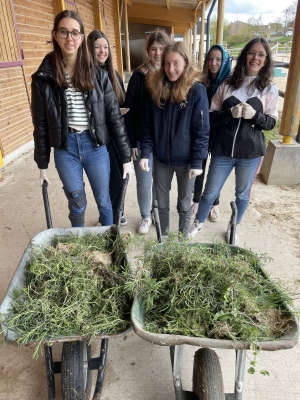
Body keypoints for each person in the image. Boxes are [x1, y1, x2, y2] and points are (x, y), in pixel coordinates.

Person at [31, 10, 133, 228]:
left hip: (95, 146)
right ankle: (79, 251)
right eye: (64, 32)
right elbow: (40, 125)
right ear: (55, 35)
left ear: (81, 37)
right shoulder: (43, 78)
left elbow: (115, 116)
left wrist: (126, 157)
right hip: (65, 148)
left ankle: (109, 247)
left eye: (75, 33)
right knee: (77, 204)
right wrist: (42, 164)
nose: (70, 38)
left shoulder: (98, 74)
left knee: (104, 202)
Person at [189, 38, 279, 244]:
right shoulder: (228, 84)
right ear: (244, 55)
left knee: (242, 194)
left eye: (261, 54)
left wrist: (254, 116)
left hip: (250, 153)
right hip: (223, 150)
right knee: (210, 191)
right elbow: (211, 116)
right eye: (251, 53)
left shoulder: (269, 89)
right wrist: (230, 112)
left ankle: (233, 226)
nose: (255, 57)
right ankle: (198, 221)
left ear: (266, 60)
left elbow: (271, 122)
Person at [139, 41, 210, 238]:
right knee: (161, 203)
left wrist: (197, 160)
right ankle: (163, 238)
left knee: (184, 203)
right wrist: (145, 152)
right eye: (167, 63)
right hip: (161, 159)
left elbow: (201, 129)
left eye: (176, 63)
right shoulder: (154, 88)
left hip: (187, 161)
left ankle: (180, 241)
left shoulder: (196, 91)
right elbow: (147, 126)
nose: (171, 69)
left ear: (185, 63)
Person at [124, 28, 170, 234]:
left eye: (161, 48)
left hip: (164, 139)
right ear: (147, 51)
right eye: (153, 49)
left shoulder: (172, 75)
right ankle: (145, 215)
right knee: (144, 180)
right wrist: (132, 141)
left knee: (160, 180)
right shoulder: (138, 76)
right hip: (143, 139)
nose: (158, 53)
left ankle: (156, 210)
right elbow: (129, 110)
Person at [87, 29, 129, 226]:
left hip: (117, 136)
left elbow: (120, 103)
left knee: (121, 179)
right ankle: (109, 219)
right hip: (101, 139)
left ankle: (116, 213)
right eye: (97, 47)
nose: (102, 51)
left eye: (105, 47)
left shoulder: (114, 74)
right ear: (88, 49)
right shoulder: (86, 76)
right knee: (112, 181)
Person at [191, 45, 231, 222]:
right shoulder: (200, 81)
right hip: (201, 132)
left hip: (220, 132)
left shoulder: (230, 83)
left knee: (216, 170)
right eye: (210, 59)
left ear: (225, 61)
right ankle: (196, 200)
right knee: (200, 165)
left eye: (218, 59)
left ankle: (215, 203)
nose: (214, 63)